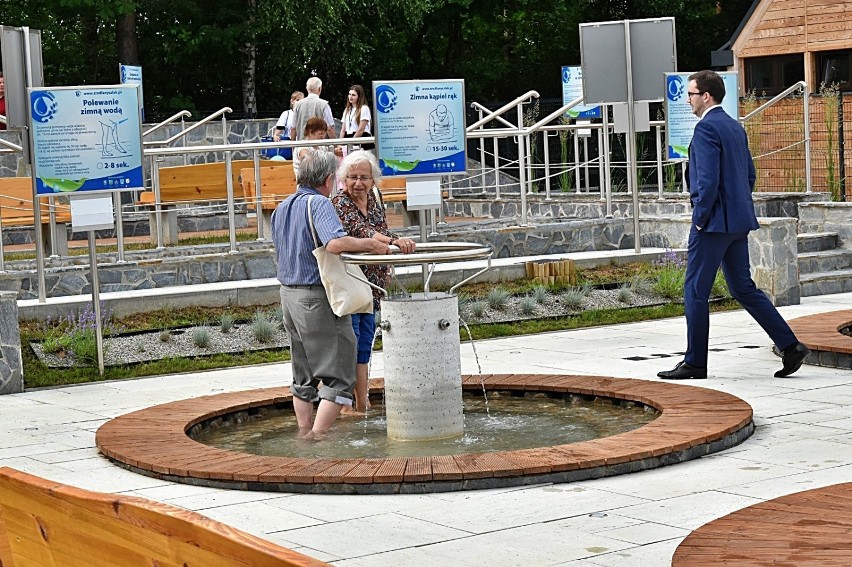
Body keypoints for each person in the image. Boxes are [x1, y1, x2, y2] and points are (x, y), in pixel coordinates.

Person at [657, 70, 810, 381]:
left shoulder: (705, 129)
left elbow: (707, 180)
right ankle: (791, 346)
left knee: (695, 291)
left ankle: (695, 362)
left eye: (691, 94)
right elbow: (749, 175)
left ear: (706, 96)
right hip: (738, 223)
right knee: (743, 288)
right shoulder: (734, 127)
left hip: (712, 225)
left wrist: (700, 217)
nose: (687, 99)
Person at [271, 149, 391, 436]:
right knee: (339, 376)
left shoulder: (282, 206)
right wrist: (369, 245)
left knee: (303, 374)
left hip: (288, 295)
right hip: (316, 297)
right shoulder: (319, 204)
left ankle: (303, 432)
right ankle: (317, 437)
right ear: (328, 179)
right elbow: (334, 244)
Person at [332, 151, 416, 413]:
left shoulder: (373, 200)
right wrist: (392, 243)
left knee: (365, 343)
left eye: (364, 178)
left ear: (373, 181)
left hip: (374, 286)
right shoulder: (339, 202)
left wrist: (396, 246)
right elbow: (362, 232)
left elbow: (382, 228)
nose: (358, 183)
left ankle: (362, 402)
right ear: (344, 179)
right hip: (352, 284)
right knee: (352, 341)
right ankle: (347, 404)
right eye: (353, 177)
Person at [290, 76, 335, 142]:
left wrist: (293, 145)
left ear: (307, 88)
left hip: (302, 145)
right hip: (319, 145)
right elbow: (329, 128)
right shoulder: (324, 105)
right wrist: (336, 143)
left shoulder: (298, 105)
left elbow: (293, 128)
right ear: (319, 89)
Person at [339, 85, 373, 151]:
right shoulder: (347, 110)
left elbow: (361, 129)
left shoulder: (364, 108)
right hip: (349, 138)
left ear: (359, 97)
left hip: (360, 138)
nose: (350, 97)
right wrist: (340, 144)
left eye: (353, 95)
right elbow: (343, 130)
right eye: (349, 94)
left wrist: (352, 142)